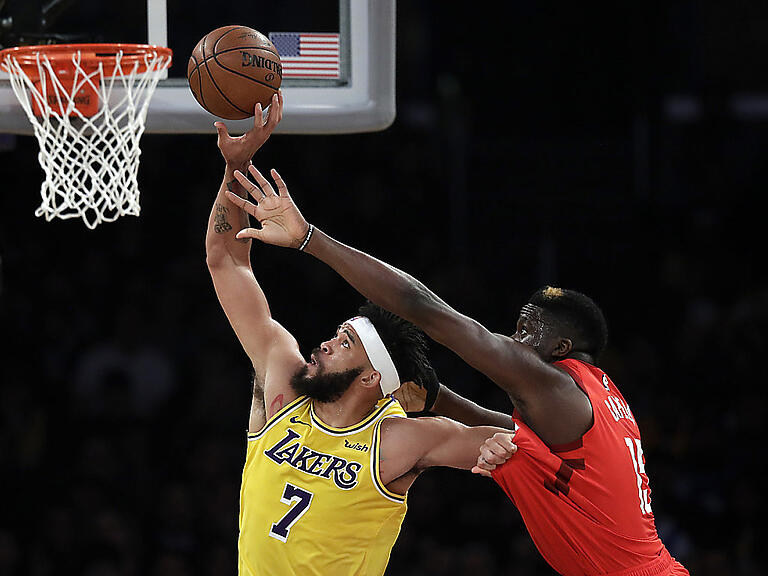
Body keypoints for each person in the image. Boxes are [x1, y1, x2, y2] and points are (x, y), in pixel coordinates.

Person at [225, 151, 690, 576]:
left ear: (561, 348)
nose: (514, 341)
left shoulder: (556, 386)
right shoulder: (597, 397)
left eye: (527, 331)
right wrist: (440, 399)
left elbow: (424, 310)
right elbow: (524, 440)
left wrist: (310, 239)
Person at [207, 93, 516, 576]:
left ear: (372, 377)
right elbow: (227, 262)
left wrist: (499, 442)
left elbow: (537, 446)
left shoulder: (399, 440)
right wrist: (236, 167)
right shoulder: (284, 383)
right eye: (336, 335)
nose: (325, 344)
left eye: (345, 343)